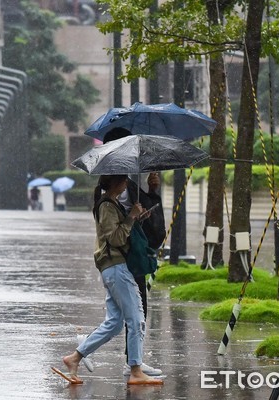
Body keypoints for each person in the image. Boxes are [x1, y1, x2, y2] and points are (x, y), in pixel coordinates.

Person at [59, 175, 163, 385]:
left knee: (115, 323)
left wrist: (136, 218)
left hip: (113, 268)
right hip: (116, 267)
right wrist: (131, 216)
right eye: (124, 181)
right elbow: (115, 238)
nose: (127, 184)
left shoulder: (111, 204)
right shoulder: (106, 205)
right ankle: (135, 370)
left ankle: (75, 358)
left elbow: (118, 231)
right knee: (136, 318)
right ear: (116, 183)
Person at [103, 127, 166, 377]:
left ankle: (133, 361)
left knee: (124, 315)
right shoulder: (109, 186)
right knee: (132, 313)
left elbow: (145, 212)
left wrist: (152, 191)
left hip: (131, 255)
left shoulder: (127, 181)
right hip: (120, 258)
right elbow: (113, 227)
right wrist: (131, 217)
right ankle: (134, 364)